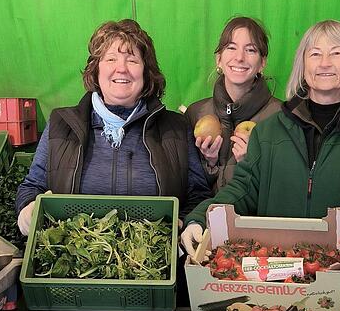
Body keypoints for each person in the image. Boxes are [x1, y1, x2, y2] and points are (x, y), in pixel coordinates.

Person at [180, 20, 340, 269]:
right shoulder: (270, 130)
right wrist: (199, 219)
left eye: (337, 53)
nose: (324, 63)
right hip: (278, 274)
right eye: (315, 54)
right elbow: (242, 188)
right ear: (303, 64)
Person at [16, 19, 211, 235]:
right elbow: (33, 186)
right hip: (79, 261)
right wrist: (27, 208)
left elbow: (198, 193)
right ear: (96, 70)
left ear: (146, 73)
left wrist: (189, 222)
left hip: (154, 260)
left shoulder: (175, 128)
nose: (122, 69)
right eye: (110, 59)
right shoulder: (62, 124)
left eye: (132, 60)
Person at [185, 17, 282, 192]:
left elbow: (286, 189)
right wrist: (209, 163)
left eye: (250, 50)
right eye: (231, 48)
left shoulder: (281, 117)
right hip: (202, 218)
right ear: (218, 59)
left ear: (262, 63)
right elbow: (187, 187)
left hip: (254, 219)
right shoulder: (195, 113)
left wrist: (252, 164)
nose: (239, 57)